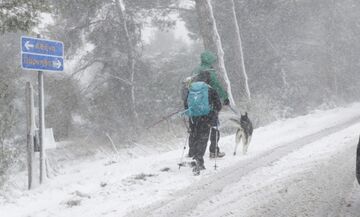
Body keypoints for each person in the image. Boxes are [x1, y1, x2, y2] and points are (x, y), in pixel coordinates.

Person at [188, 50, 229, 159]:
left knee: (194, 129)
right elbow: (217, 86)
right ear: (210, 60)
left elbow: (187, 87)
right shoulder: (209, 71)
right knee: (214, 127)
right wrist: (225, 97)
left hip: (194, 106)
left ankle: (192, 152)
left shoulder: (195, 71)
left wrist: (188, 103)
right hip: (208, 106)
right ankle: (214, 151)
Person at [184, 71, 222, 175]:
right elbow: (218, 105)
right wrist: (214, 112)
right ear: (207, 80)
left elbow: (186, 104)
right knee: (203, 139)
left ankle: (193, 156)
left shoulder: (191, 89)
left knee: (194, 136)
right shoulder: (210, 89)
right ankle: (199, 161)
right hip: (206, 117)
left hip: (193, 118)